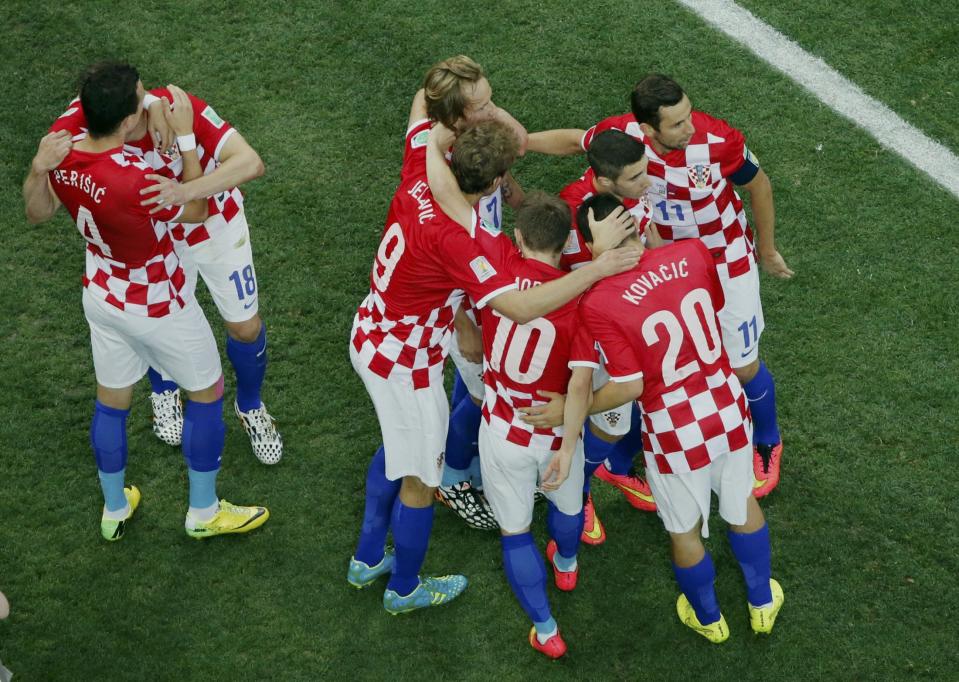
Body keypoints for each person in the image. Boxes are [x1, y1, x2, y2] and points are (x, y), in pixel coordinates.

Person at [346, 106, 638, 615]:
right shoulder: (468, 243)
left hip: (372, 331)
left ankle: (369, 557)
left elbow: (421, 110)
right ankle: (404, 588)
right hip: (409, 363)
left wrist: (465, 101)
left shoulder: (421, 164)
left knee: (396, 450)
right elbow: (522, 306)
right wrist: (600, 266)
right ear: (499, 179)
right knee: (419, 479)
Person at [22, 61, 269, 540]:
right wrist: (186, 145)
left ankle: (114, 508)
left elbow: (37, 211)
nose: (150, 95)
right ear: (127, 120)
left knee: (112, 400)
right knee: (207, 392)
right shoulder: (135, 180)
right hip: (157, 300)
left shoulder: (65, 149)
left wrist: (38, 165)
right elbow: (194, 209)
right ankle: (203, 512)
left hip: (101, 292)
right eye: (142, 96)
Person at [528, 74, 792, 496]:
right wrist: (522, 143)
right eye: (678, 124)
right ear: (649, 129)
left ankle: (768, 441)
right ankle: (619, 460)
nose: (691, 127)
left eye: (689, 114)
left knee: (741, 366)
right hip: (662, 268)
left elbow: (758, 185)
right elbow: (579, 140)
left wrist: (766, 247)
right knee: (661, 371)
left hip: (725, 259)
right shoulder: (625, 139)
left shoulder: (718, 141)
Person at [577, 193, 784, 643]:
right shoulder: (691, 253)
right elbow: (704, 305)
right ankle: (761, 603)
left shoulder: (598, 301)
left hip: (673, 431)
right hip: (727, 405)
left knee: (684, 528)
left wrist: (576, 408)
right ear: (634, 223)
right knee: (741, 505)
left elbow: (629, 386)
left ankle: (709, 619)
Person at [471, 192, 597, 658]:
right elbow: (581, 384)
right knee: (567, 507)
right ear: (567, 244)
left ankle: (546, 632)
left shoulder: (495, 280)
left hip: (504, 429)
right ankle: (566, 564)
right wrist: (566, 446)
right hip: (556, 432)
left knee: (516, 533)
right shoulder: (580, 301)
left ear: (518, 238)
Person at [418, 55, 527, 528]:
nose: (494, 108)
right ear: (458, 117)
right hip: (461, 301)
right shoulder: (440, 176)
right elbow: (445, 260)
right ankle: (452, 478)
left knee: (481, 387)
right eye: (482, 104)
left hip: (484, 278)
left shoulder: (464, 140)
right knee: (484, 392)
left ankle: (475, 467)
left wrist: (511, 191)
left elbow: (514, 145)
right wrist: (462, 323)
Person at [556, 129, 659, 546]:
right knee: (613, 420)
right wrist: (601, 263)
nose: (647, 182)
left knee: (642, 402)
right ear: (603, 183)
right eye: (636, 178)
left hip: (631, 315)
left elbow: (651, 244)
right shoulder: (568, 214)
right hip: (590, 332)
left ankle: (614, 467)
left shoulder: (633, 197)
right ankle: (576, 490)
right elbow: (546, 282)